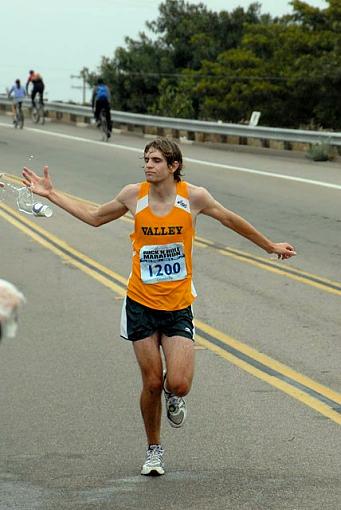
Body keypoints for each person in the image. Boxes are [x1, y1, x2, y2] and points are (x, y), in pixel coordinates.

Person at [22, 137, 296, 476]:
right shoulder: (132, 195)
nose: (148, 165)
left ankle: (175, 397)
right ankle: (154, 449)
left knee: (177, 383)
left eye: (155, 160)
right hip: (140, 302)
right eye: (146, 160)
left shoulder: (194, 197)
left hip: (178, 304)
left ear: (173, 166)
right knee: (152, 382)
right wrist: (52, 194)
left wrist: (270, 246)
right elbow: (94, 216)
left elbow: (229, 219)